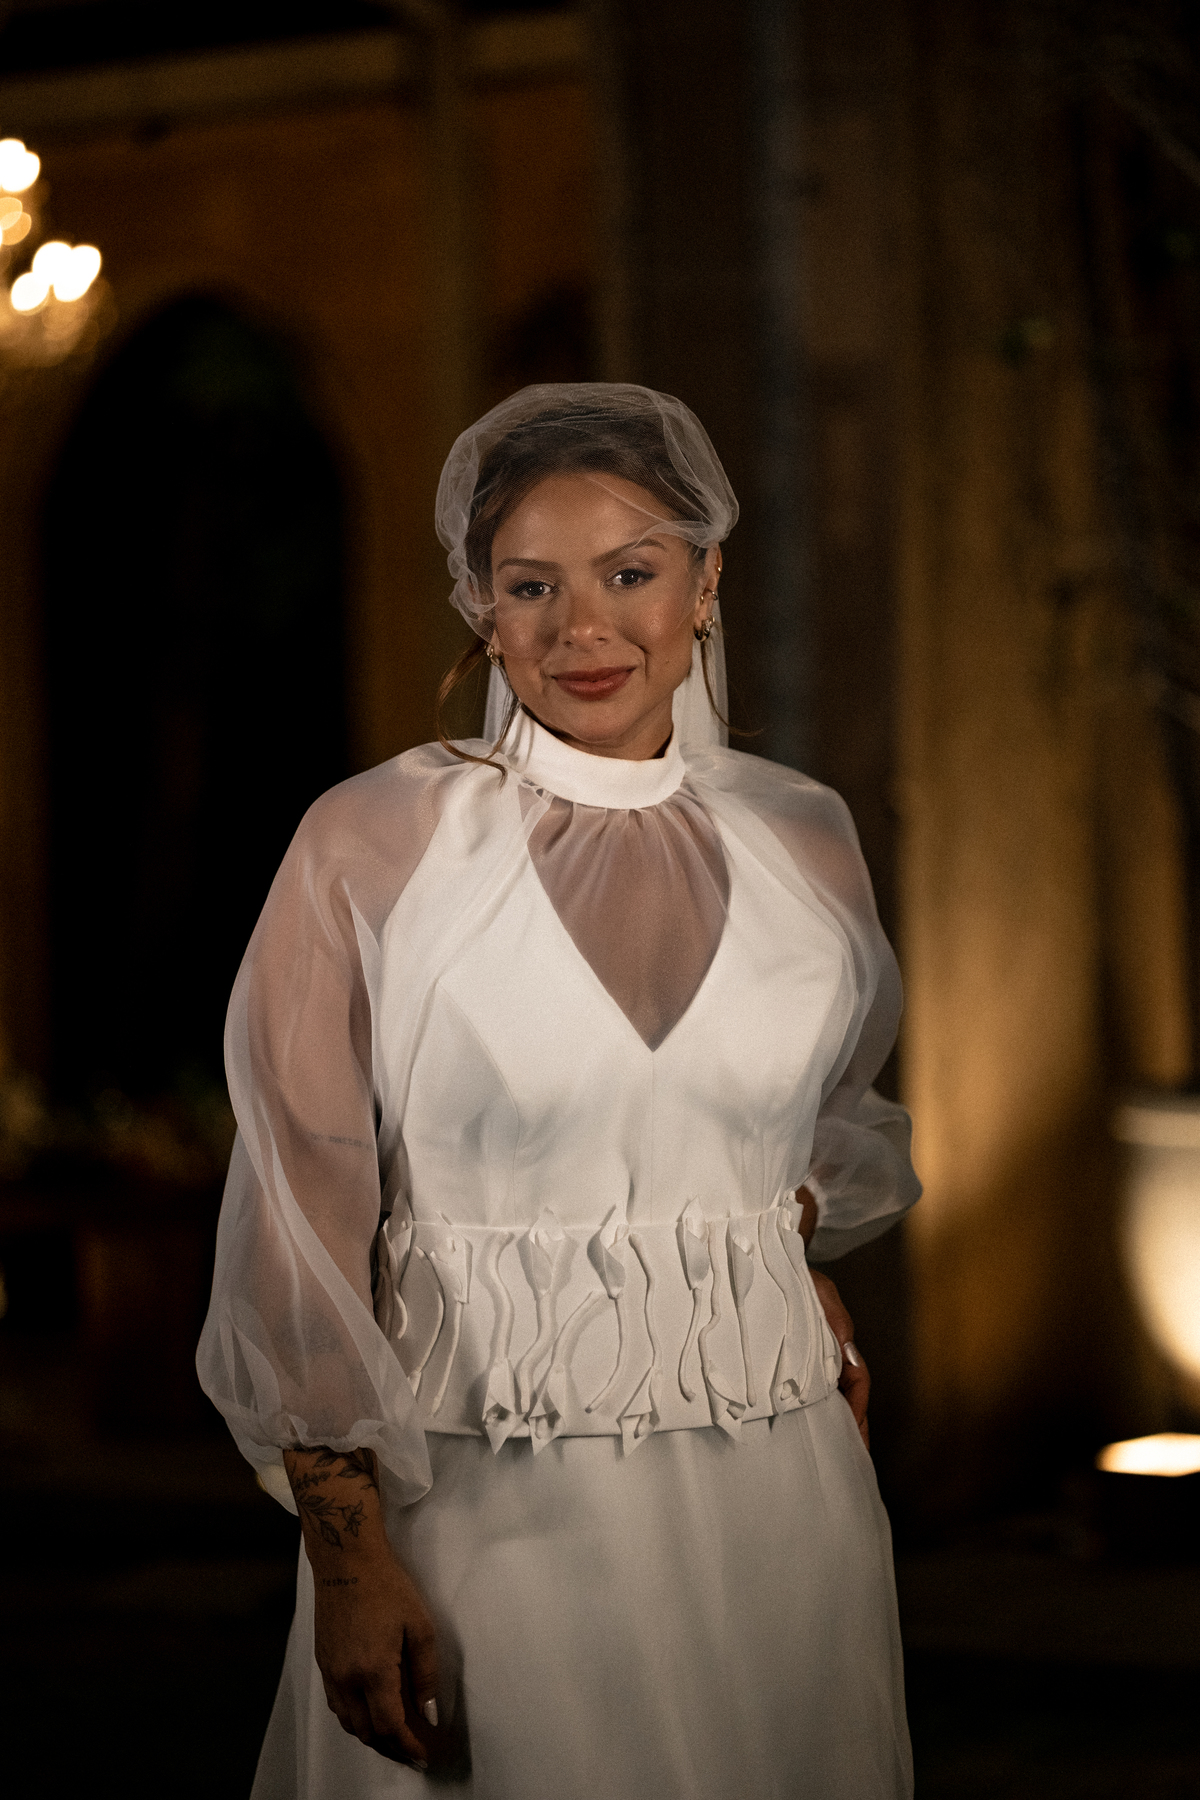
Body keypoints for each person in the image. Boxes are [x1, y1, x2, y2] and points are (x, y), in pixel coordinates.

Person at [197, 382, 921, 1800]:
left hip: (784, 1495)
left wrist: (780, 1250)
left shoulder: (803, 839)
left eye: (630, 574)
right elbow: (299, 1215)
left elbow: (814, 1125)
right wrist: (347, 1560)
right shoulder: (376, 844)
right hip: (483, 1516)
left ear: (706, 584)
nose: (583, 630)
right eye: (531, 586)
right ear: (483, 608)